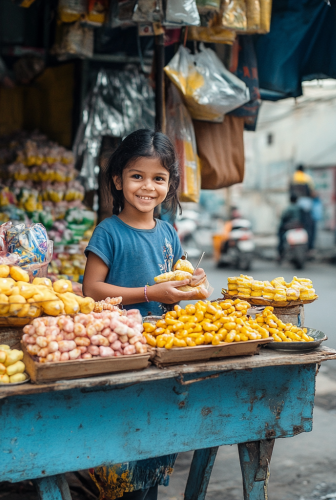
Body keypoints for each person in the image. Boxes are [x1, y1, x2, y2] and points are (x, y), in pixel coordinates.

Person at [83, 129, 205, 500]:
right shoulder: (109, 232)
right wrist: (150, 292)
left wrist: (191, 283)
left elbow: (176, 282)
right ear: (118, 180)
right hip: (119, 353)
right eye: (137, 176)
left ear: (170, 185)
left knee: (154, 447)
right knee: (123, 454)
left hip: (159, 353)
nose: (147, 186)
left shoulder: (169, 232)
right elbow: (92, 290)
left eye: (158, 178)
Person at [290, 165, 315, 250]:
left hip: (295, 204)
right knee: (309, 225)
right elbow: (312, 192)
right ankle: (309, 246)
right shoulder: (307, 178)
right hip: (305, 204)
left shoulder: (293, 177)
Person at [278, 194, 303, 261]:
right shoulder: (300, 208)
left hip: (290, 227)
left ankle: (280, 253)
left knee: (280, 235)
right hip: (298, 226)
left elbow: (283, 218)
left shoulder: (289, 208)